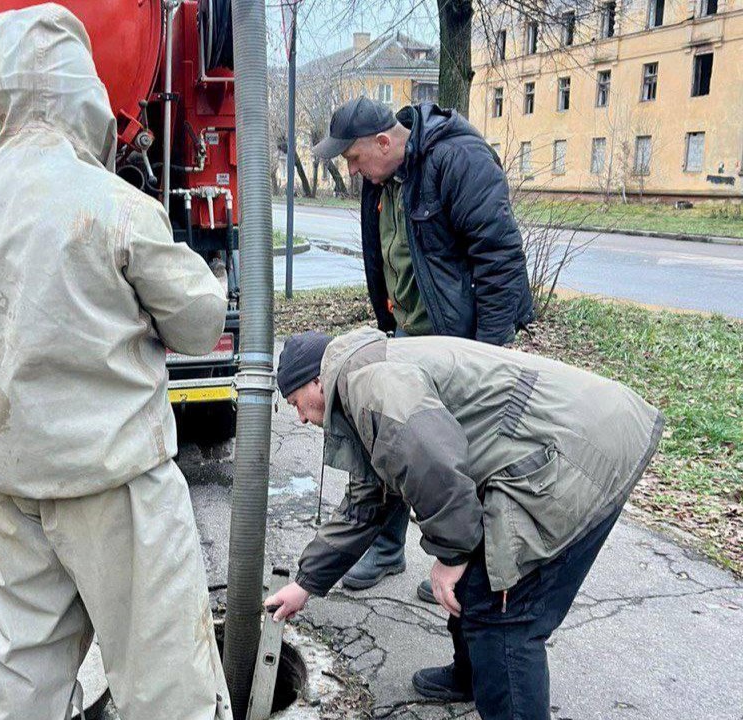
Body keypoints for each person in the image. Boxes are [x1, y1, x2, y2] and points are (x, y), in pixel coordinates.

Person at [0, 5, 231, 719]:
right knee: (163, 681)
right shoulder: (111, 204)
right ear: (81, 87)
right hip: (115, 488)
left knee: (20, 672)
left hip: (7, 485)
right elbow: (199, 322)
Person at [265, 327, 663, 719]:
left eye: (296, 402)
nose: (299, 418)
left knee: (504, 614)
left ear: (318, 381)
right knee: (475, 577)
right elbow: (367, 502)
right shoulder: (362, 381)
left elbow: (434, 463)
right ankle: (473, 677)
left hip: (576, 452)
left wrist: (451, 556)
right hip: (565, 439)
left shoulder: (372, 385)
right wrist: (306, 584)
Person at [312, 97, 535, 598]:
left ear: (384, 142)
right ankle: (386, 549)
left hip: (464, 341)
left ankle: (466, 570)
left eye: (352, 158)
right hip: (409, 333)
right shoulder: (381, 182)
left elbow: (499, 259)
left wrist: (489, 355)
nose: (351, 170)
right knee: (390, 439)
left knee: (464, 457)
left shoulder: (458, 160)